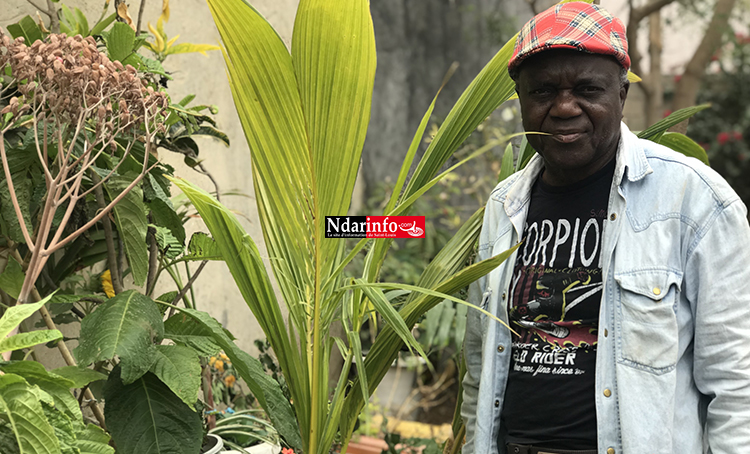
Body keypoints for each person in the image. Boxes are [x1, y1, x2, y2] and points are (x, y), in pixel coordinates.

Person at [460, 2, 750, 454]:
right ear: (521, 100)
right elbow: (481, 370)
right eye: (542, 92)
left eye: (587, 89)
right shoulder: (504, 206)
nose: (563, 107)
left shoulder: (693, 201)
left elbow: (736, 382)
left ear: (621, 95)